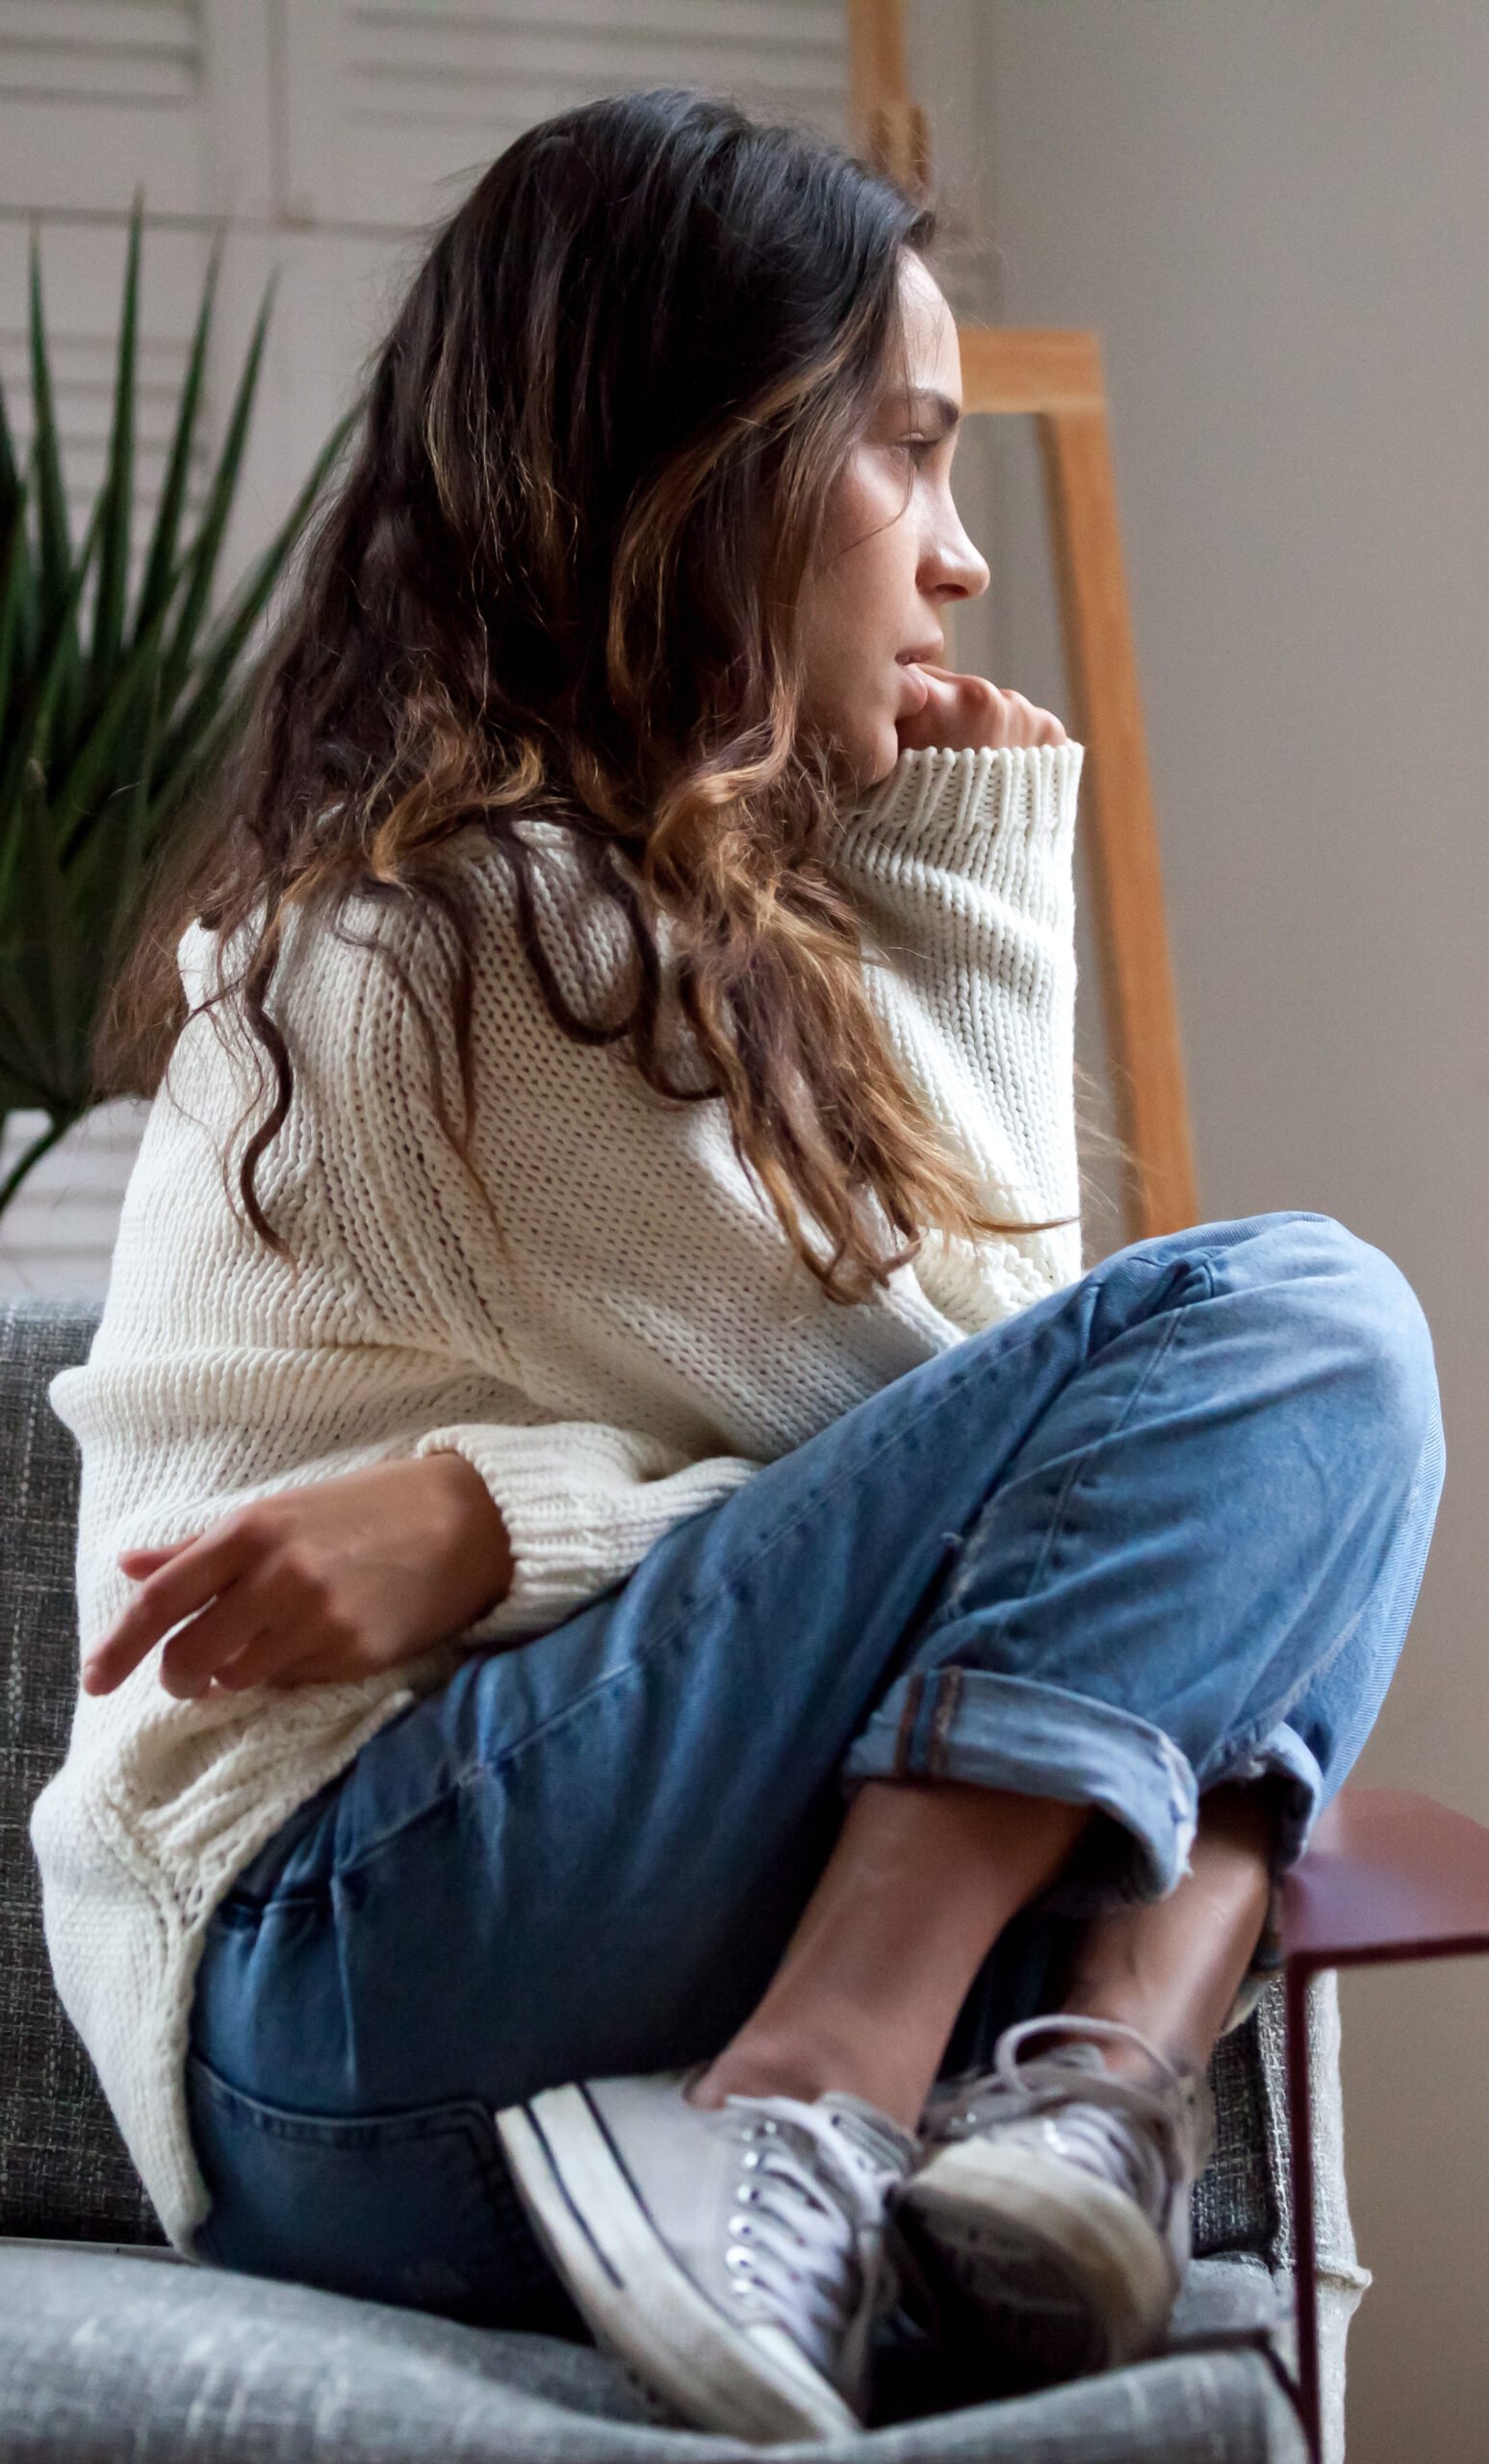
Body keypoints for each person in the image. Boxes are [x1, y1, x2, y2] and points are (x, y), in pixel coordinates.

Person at [32, 88, 1443, 2448]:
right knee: (1313, 1335)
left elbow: (1047, 1531)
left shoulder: (646, 930)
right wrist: (985, 878)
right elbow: (1037, 1416)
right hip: (357, 1968)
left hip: (470, 1999)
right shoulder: (469, 938)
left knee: (1249, 1495)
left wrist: (506, 1516)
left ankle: (1066, 2115)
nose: (961, 564)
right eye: (903, 456)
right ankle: (868, 2077)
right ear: (706, 467)